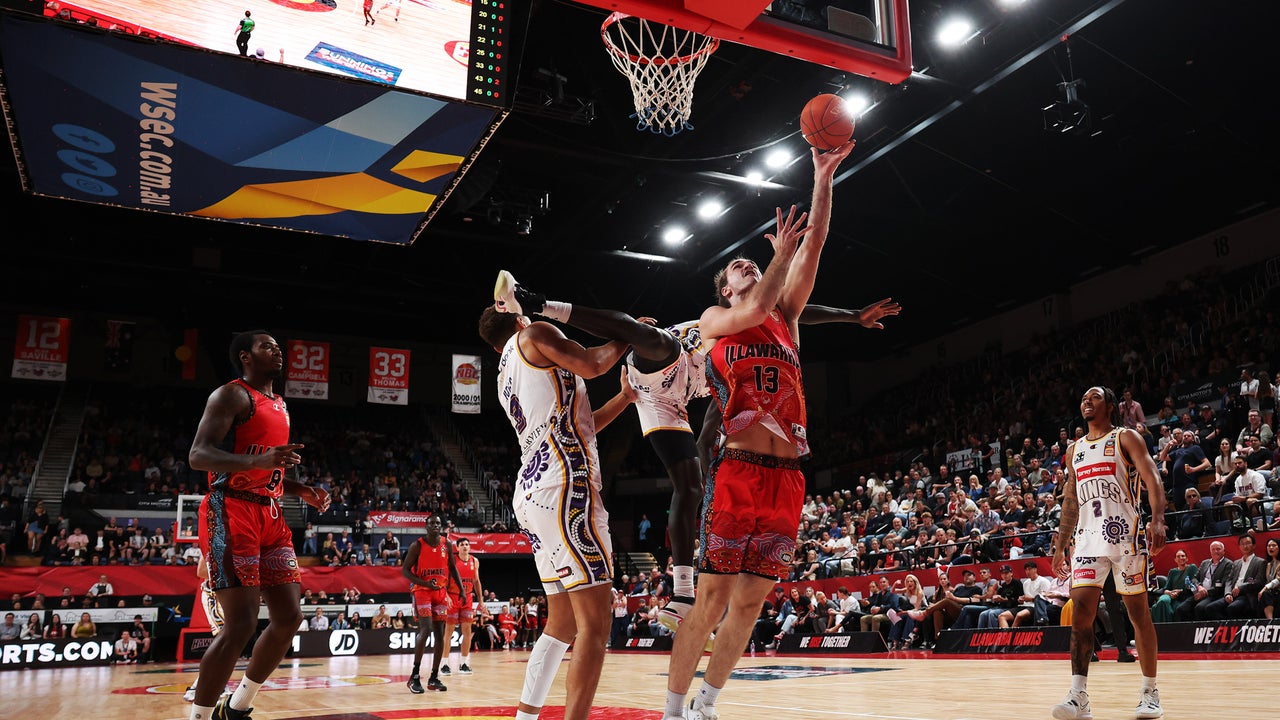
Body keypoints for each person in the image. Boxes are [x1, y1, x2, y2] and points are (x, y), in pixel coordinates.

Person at [496, 267, 898, 636]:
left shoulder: (761, 323)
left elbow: (799, 310)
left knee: (695, 482)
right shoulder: (718, 317)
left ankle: (685, 592)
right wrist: (849, 313)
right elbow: (801, 309)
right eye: (745, 272)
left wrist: (854, 317)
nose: (758, 278)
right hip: (658, 376)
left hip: (697, 389)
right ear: (727, 292)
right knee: (654, 340)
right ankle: (539, 302)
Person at [660, 141, 853, 720]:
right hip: (739, 469)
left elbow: (814, 240)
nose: (745, 264)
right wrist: (775, 261)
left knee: (749, 604)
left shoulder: (788, 318)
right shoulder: (717, 322)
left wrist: (822, 175)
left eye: (752, 260)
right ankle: (671, 709)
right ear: (724, 288)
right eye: (735, 267)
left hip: (788, 476)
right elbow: (758, 299)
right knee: (714, 597)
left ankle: (706, 705)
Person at [478, 282, 641, 720]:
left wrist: (625, 398)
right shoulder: (532, 335)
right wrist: (629, 335)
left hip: (532, 490)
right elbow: (591, 363)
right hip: (564, 483)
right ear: (517, 318)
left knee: (563, 623)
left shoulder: (505, 371)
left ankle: (526, 716)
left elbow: (581, 424)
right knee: (597, 622)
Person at [186, 329, 331, 720]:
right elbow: (198, 455)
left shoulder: (280, 403)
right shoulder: (231, 394)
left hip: (270, 512)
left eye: (278, 346)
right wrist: (259, 462)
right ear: (245, 357)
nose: (277, 350)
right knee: (240, 625)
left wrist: (299, 488)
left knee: (289, 617)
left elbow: (267, 466)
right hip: (230, 510)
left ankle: (237, 706)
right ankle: (197, 716)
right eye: (267, 346)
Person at [1051, 386, 1166, 720]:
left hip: (1125, 536)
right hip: (1087, 541)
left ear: (1111, 406)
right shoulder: (1074, 451)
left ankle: (1150, 692)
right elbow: (1070, 500)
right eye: (1083, 397)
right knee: (1081, 614)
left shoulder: (1126, 437)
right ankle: (1078, 696)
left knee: (1138, 614)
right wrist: (1061, 545)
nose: (1086, 400)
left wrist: (1158, 519)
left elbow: (1153, 477)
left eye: (1095, 397)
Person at [401, 515, 463, 694]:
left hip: (440, 591)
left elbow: (452, 567)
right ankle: (414, 676)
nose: (435, 525)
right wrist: (425, 583)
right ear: (426, 526)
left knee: (440, 634)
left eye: (438, 523)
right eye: (432, 523)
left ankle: (434, 677)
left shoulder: (447, 544)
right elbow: (405, 571)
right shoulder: (417, 546)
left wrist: (462, 590)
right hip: (422, 591)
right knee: (425, 629)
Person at [440, 536, 487, 676]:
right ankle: (444, 664)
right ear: (457, 547)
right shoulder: (452, 560)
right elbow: (444, 580)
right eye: (462, 545)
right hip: (453, 597)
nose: (465, 546)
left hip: (467, 598)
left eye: (467, 544)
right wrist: (446, 596)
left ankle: (464, 663)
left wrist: (481, 600)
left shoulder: (475, 561)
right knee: (448, 632)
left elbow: (477, 581)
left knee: (467, 632)